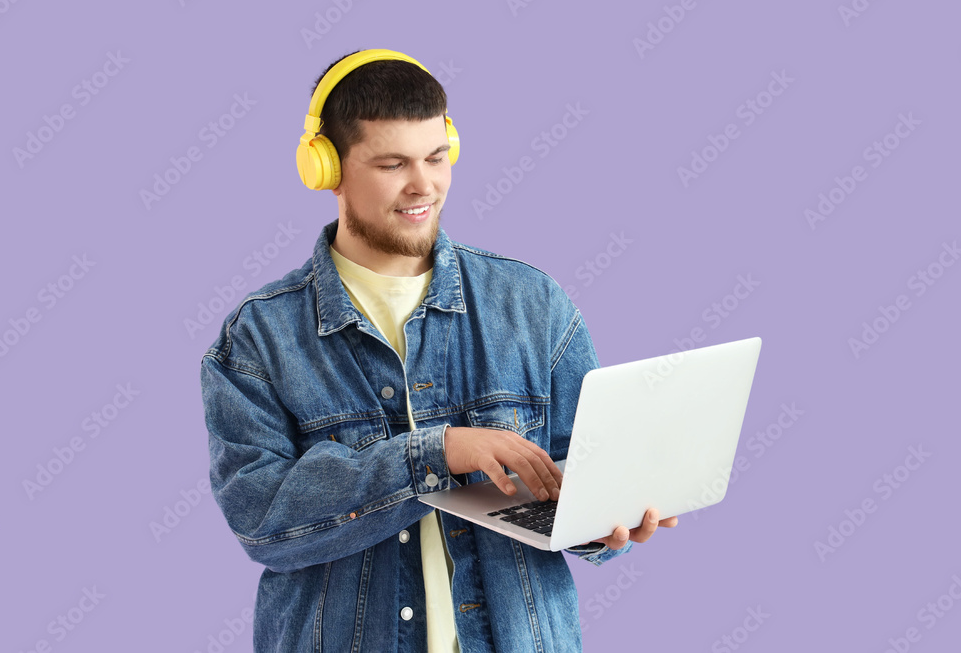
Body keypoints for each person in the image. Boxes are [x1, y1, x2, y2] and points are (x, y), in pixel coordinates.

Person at [201, 49, 678, 653]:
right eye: (392, 163)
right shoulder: (259, 337)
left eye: (436, 156)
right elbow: (263, 520)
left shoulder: (531, 304)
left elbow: (573, 478)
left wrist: (605, 519)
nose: (423, 184)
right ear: (327, 169)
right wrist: (441, 452)